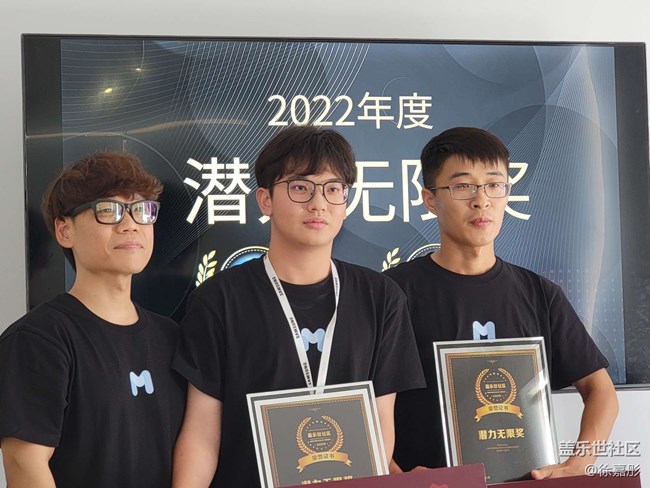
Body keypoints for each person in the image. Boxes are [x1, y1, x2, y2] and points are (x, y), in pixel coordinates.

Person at [172, 126, 426, 487]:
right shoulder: (219, 299)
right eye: (301, 187)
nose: (318, 203)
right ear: (265, 200)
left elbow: (381, 426)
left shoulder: (381, 297)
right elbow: (202, 433)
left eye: (333, 189)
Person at [385, 127, 619, 479]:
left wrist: (578, 464)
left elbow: (601, 390)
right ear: (430, 199)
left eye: (494, 185)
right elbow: (362, 408)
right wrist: (395, 477)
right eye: (463, 186)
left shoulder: (539, 293)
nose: (482, 200)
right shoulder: (392, 293)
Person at [0, 152, 186, 488]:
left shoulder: (169, 335)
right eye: (109, 210)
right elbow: (24, 464)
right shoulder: (39, 339)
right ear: (64, 230)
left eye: (142, 210)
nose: (130, 224)